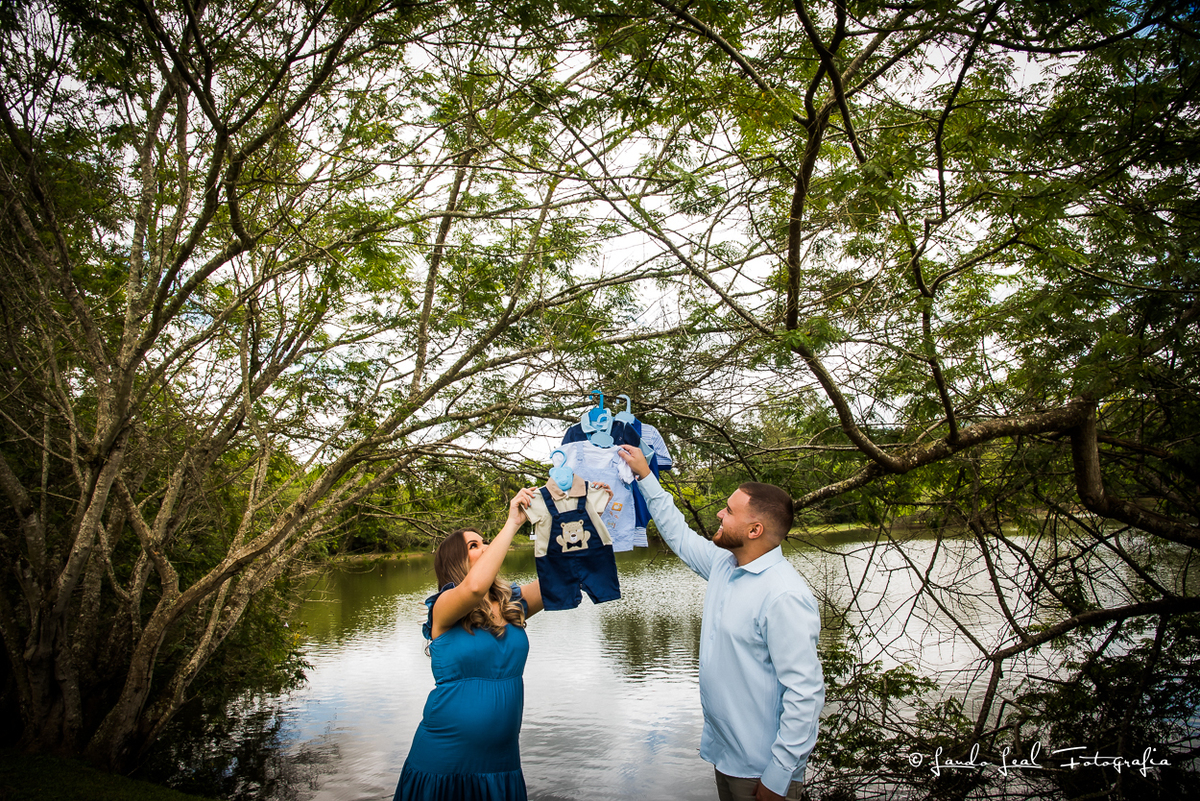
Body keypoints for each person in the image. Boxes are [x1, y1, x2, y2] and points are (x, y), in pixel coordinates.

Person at [617, 444, 824, 801]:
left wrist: (778, 777)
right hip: (726, 758)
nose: (719, 513)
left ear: (754, 530)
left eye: (729, 511)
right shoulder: (724, 565)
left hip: (762, 771)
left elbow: (805, 695)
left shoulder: (784, 596)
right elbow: (678, 533)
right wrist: (646, 475)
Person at [394, 487, 543, 801]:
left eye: (485, 542)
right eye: (475, 546)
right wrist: (513, 522)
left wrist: (585, 516)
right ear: (455, 563)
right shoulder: (443, 607)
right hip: (443, 765)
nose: (486, 547)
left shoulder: (511, 602)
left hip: (501, 766)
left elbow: (561, 580)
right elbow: (474, 588)